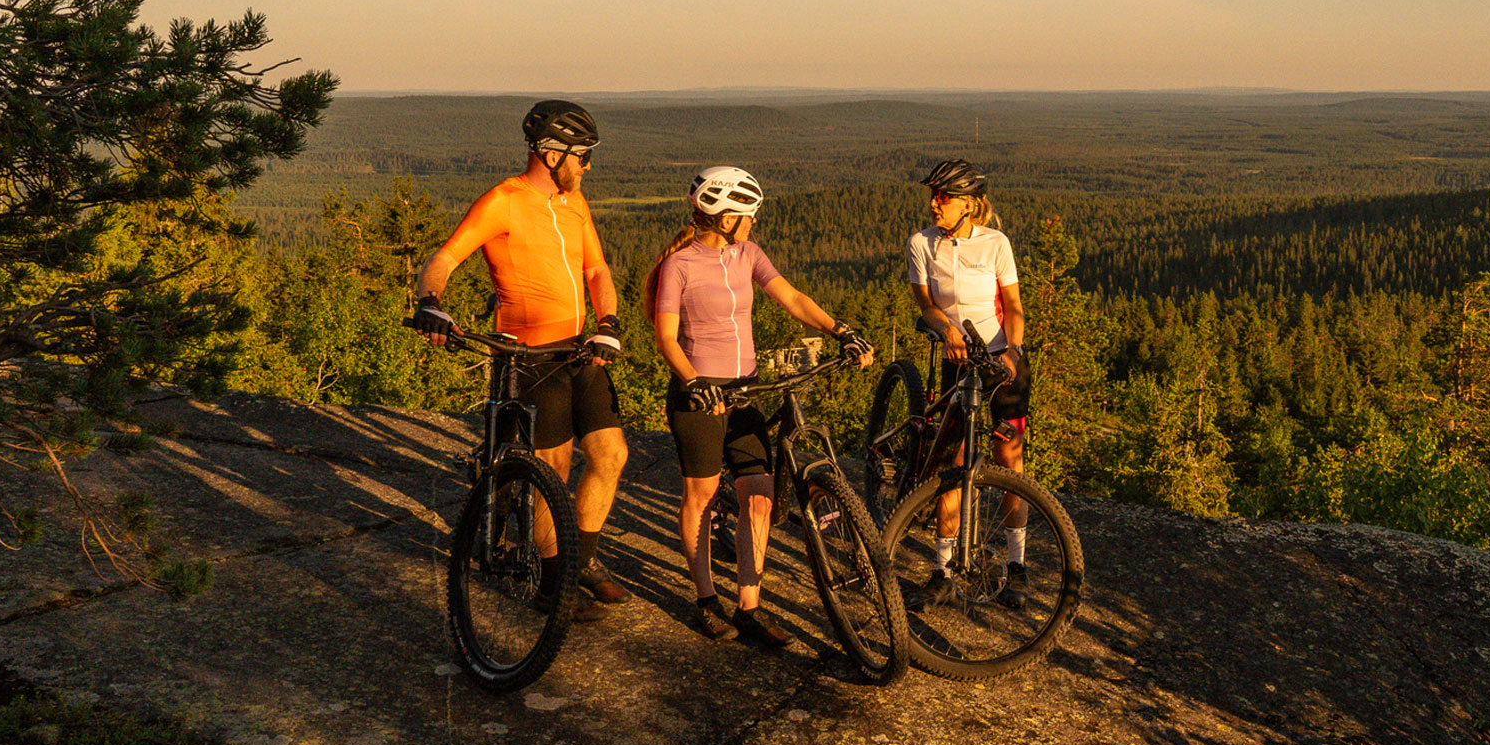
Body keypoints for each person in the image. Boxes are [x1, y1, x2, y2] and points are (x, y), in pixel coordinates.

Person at [412, 100, 631, 621]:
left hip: (580, 350)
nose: (588, 166)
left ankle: (581, 559)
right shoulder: (503, 201)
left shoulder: (574, 202)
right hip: (530, 357)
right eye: (582, 156)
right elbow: (444, 258)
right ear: (552, 153)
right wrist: (429, 303)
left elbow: (597, 270)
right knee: (551, 471)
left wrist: (608, 323)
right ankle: (553, 587)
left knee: (610, 455)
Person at [649, 166, 873, 646]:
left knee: (759, 493)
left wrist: (840, 330)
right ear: (725, 218)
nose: (753, 222)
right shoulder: (680, 265)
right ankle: (706, 599)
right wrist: (693, 381)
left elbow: (791, 297)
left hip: (746, 391)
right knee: (702, 498)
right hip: (699, 396)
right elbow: (665, 337)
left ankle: (749, 607)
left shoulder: (748, 254)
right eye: (747, 215)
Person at [904, 157, 1028, 611]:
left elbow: (1012, 305)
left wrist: (1012, 350)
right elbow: (926, 305)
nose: (934, 203)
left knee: (1008, 458)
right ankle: (941, 570)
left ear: (969, 205)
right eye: (933, 195)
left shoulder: (996, 243)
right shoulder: (921, 243)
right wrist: (946, 329)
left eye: (944, 196)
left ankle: (1017, 567)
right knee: (953, 464)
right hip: (958, 361)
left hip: (1000, 361)